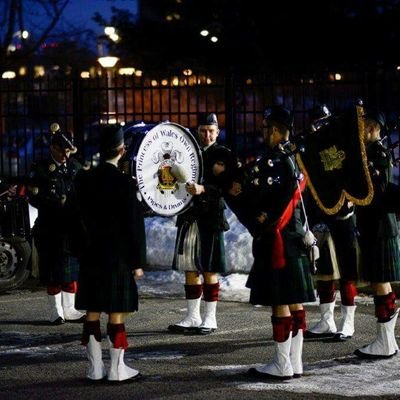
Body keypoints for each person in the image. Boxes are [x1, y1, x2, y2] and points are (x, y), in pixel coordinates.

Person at [235, 105, 316, 379]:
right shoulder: (295, 158)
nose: (263, 132)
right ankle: (295, 361)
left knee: (281, 300)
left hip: (279, 239)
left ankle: (282, 364)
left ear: (278, 131)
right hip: (296, 237)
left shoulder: (273, 161)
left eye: (266, 128)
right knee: (295, 301)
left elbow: (257, 197)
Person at [74, 125, 146, 382]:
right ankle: (116, 370)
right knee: (116, 311)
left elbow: (73, 219)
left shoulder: (83, 179)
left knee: (92, 311)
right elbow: (133, 226)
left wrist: (80, 250)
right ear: (122, 151)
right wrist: (137, 262)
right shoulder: (125, 183)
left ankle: (94, 369)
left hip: (91, 257)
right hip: (117, 258)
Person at [167, 113, 233, 335]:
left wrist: (204, 189)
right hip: (189, 214)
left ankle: (210, 318)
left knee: (209, 268)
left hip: (211, 217)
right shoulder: (189, 153)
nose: (207, 135)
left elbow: (228, 188)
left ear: (218, 132)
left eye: (211, 131)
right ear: (197, 131)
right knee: (190, 267)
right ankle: (193, 316)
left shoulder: (224, 155)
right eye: (203, 130)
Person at [304, 105, 360, 341]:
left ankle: (348, 322)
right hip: (322, 217)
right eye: (316, 123)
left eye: (324, 122)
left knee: (347, 271)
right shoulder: (311, 151)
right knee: (325, 271)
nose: (320, 127)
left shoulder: (342, 146)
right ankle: (327, 320)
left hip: (343, 215)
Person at [354, 109, 400, 359]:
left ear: (371, 127)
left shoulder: (377, 154)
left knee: (380, 283)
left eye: (362, 125)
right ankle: (387, 341)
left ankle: (385, 342)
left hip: (381, 227)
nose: (359, 130)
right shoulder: (369, 153)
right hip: (376, 226)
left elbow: (378, 193)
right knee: (378, 282)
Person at [28, 127, 85, 325]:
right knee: (53, 273)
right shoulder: (41, 168)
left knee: (70, 272)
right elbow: (34, 197)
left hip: (70, 229)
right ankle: (56, 311)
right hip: (50, 227)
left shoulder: (75, 167)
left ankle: (70, 309)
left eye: (68, 151)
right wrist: (53, 203)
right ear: (53, 147)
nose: (65, 155)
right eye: (62, 151)